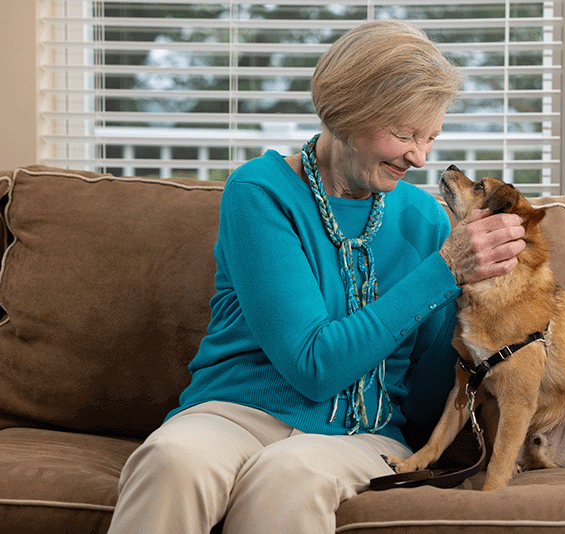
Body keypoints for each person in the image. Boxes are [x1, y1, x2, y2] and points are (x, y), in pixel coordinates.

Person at [108, 19, 526, 533]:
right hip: (234, 414)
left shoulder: (426, 219)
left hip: (362, 434)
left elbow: (423, 398)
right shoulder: (260, 193)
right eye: (405, 134)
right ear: (348, 114)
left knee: (290, 473)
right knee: (172, 459)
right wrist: (443, 271)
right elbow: (313, 366)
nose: (420, 158)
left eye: (431, 137)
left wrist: (493, 311)